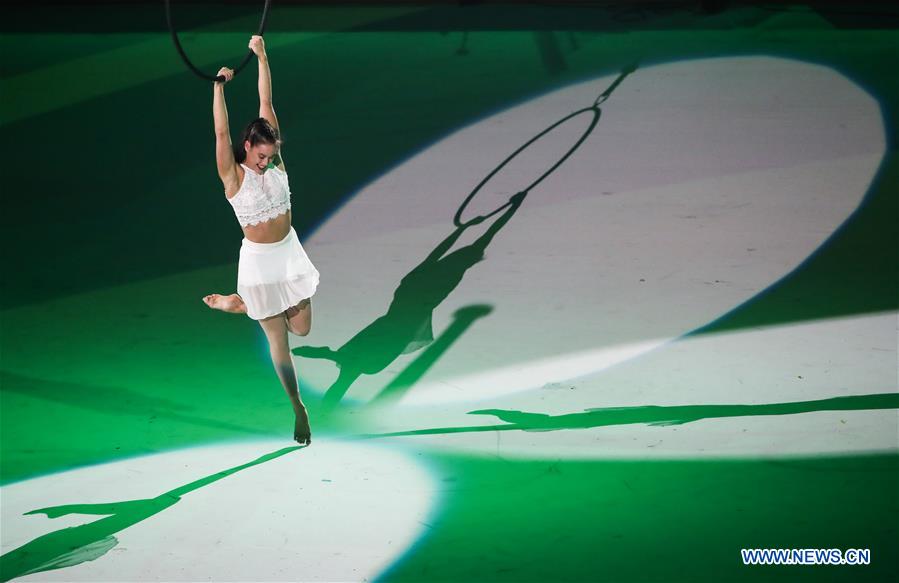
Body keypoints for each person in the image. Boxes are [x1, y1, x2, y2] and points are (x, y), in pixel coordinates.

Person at [202, 35, 318, 446]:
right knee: (279, 342)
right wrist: (218, 88)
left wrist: (262, 57)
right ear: (247, 146)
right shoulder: (234, 176)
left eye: (271, 156)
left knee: (303, 329)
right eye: (261, 156)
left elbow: (266, 103)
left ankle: (243, 303)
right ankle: (298, 407)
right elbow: (221, 133)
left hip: (289, 254)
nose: (267, 162)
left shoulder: (275, 160)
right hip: (260, 264)